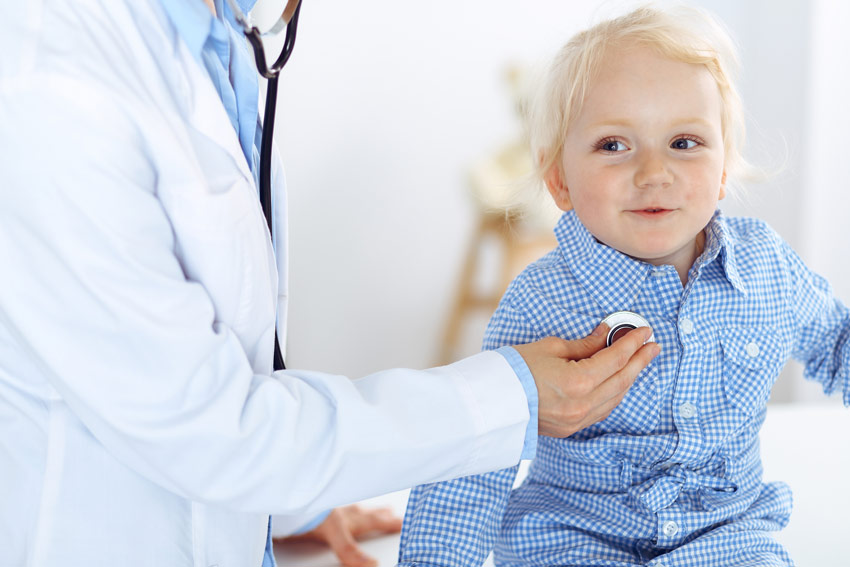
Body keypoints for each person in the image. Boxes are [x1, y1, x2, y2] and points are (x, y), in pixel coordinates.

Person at [0, 1, 661, 566]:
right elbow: (200, 424)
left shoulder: (210, 36)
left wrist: (286, 500)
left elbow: (218, 341)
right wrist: (511, 395)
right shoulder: (52, 85)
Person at [396, 5, 850, 567]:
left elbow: (837, 343)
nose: (654, 172)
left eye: (685, 142)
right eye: (614, 145)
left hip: (724, 539)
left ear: (725, 166)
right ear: (559, 179)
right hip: (571, 541)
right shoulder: (542, 302)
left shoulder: (767, 270)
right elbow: (478, 452)